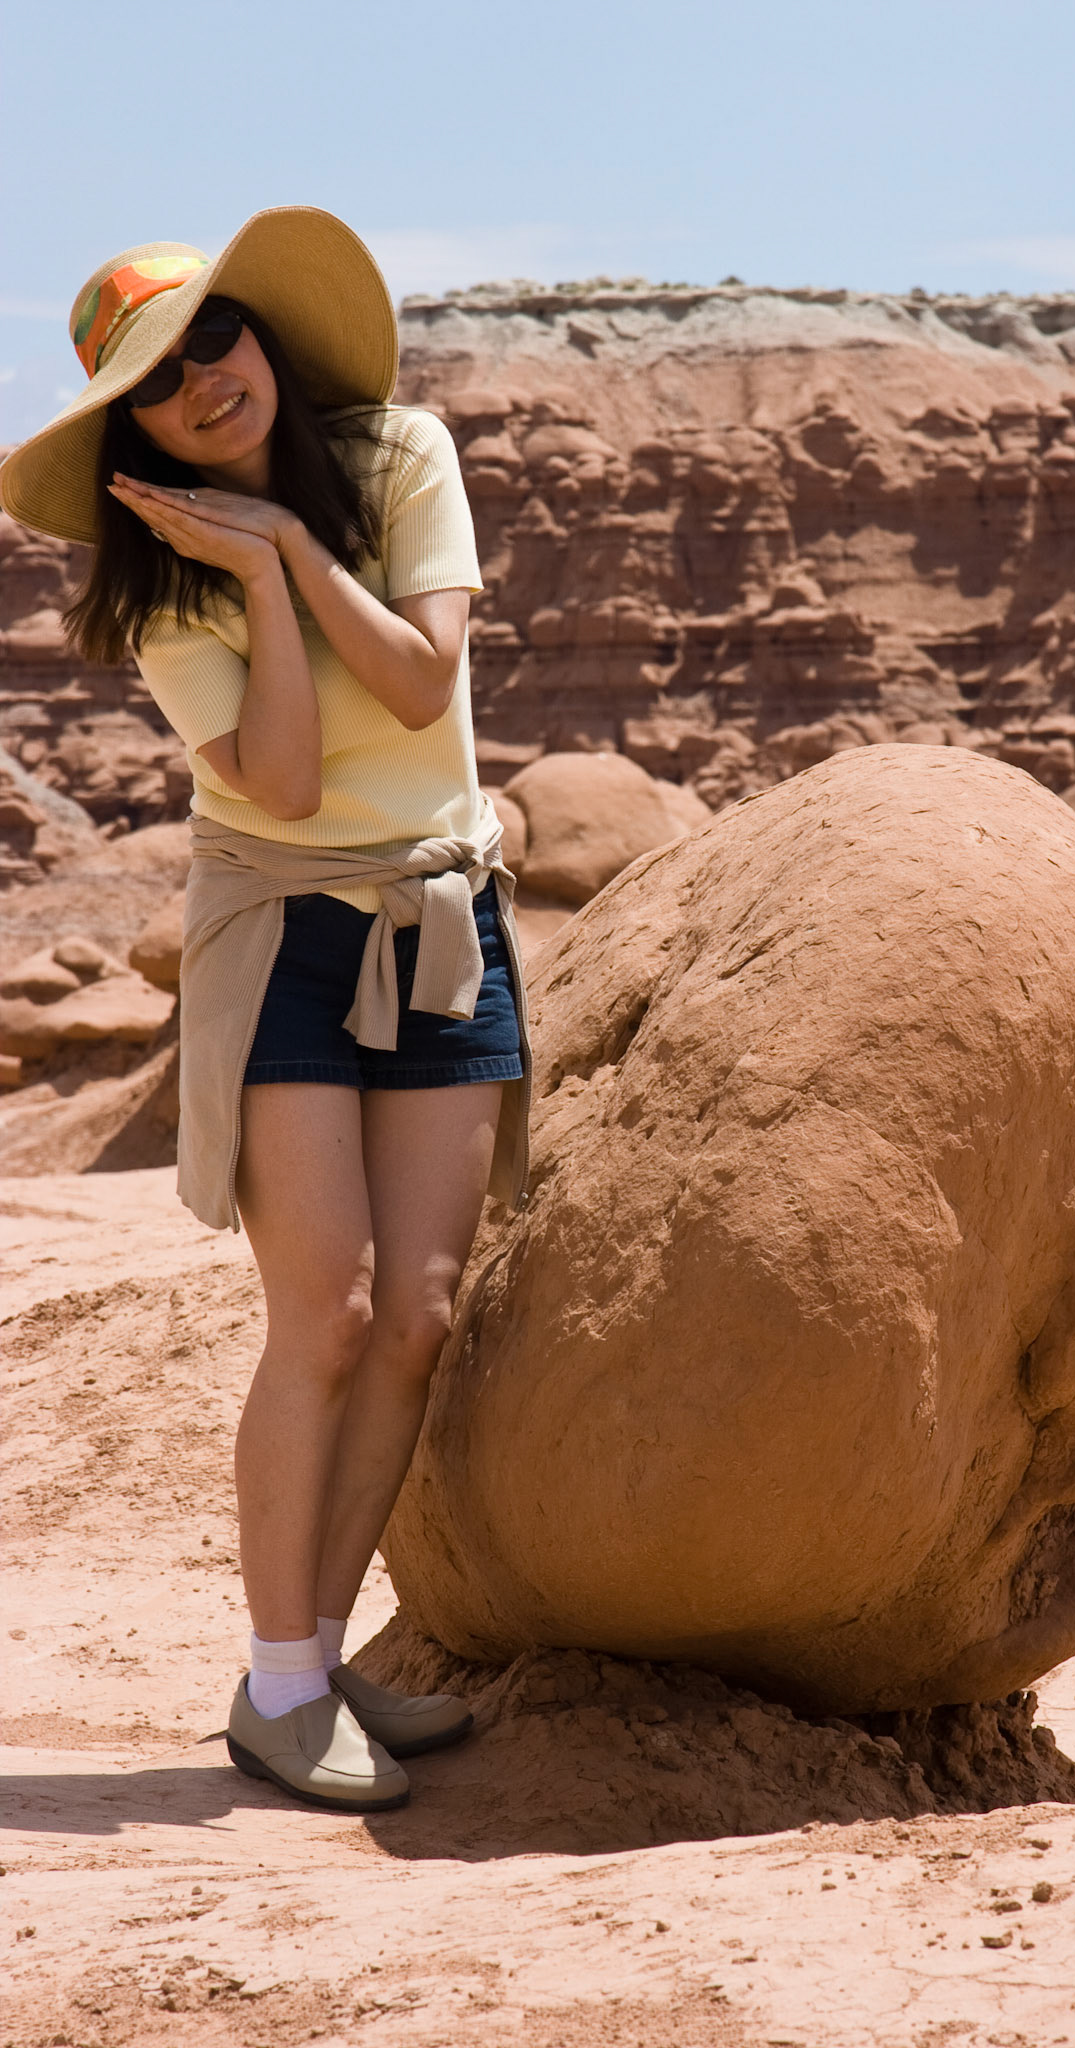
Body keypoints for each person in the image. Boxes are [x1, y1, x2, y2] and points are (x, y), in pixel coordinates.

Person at [0, 207, 533, 1815]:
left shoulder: (399, 458)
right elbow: (287, 786)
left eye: (213, 342)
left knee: (421, 1311)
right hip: (283, 929)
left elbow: (422, 683)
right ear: (135, 440)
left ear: (264, 340)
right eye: (158, 388)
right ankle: (281, 1683)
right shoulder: (165, 590)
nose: (201, 387)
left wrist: (292, 550)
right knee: (333, 1311)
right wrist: (241, 567)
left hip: (437, 914)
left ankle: (312, 1664)